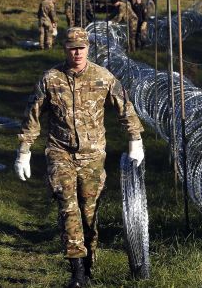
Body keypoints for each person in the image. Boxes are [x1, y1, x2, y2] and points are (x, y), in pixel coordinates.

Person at [14, 27, 145, 287]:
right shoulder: (50, 79)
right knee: (67, 206)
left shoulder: (103, 77)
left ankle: (88, 262)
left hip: (93, 156)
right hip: (60, 152)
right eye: (72, 48)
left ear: (88, 48)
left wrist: (135, 139)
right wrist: (24, 151)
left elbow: (125, 108)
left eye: (81, 48)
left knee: (89, 213)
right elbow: (32, 116)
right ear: (65, 48)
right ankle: (76, 271)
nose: (77, 53)